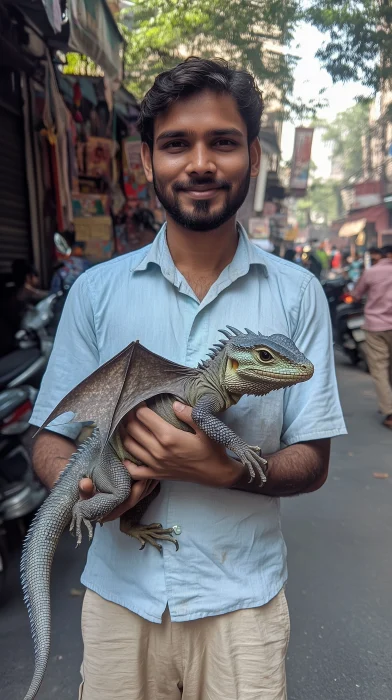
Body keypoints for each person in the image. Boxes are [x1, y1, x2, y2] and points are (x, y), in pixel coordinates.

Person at [29, 58, 346, 700]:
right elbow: (48, 441)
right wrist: (103, 494)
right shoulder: (95, 292)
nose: (200, 163)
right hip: (120, 599)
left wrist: (218, 466)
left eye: (222, 142)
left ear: (252, 156)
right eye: (176, 143)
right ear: (148, 161)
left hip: (243, 604)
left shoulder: (298, 294)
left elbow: (312, 461)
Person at [354, 245, 392, 429]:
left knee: (379, 369)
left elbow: (356, 293)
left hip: (376, 326)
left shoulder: (372, 272)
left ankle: (389, 412)